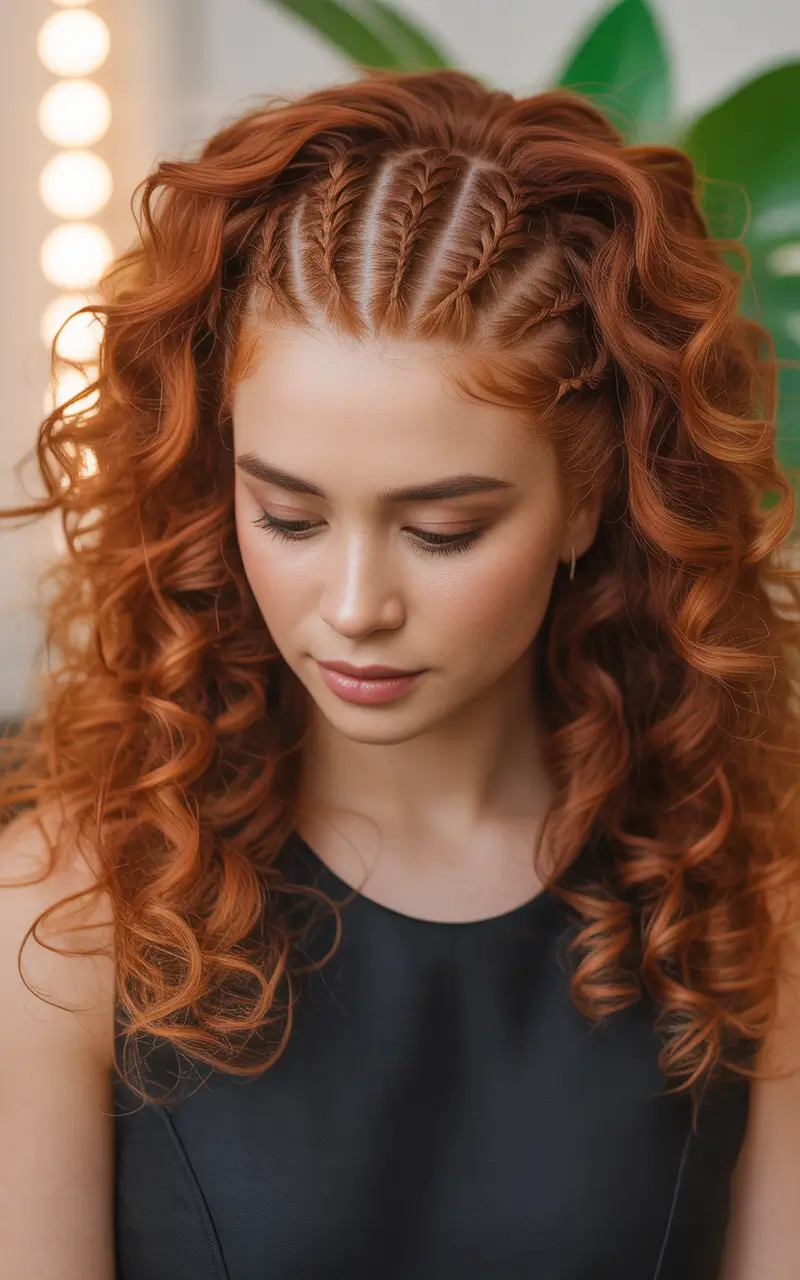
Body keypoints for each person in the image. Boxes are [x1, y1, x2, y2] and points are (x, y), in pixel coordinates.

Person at [0, 66, 798, 1280]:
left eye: (443, 531)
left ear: (588, 498)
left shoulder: (753, 909)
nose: (355, 607)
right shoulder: (65, 915)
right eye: (289, 516)